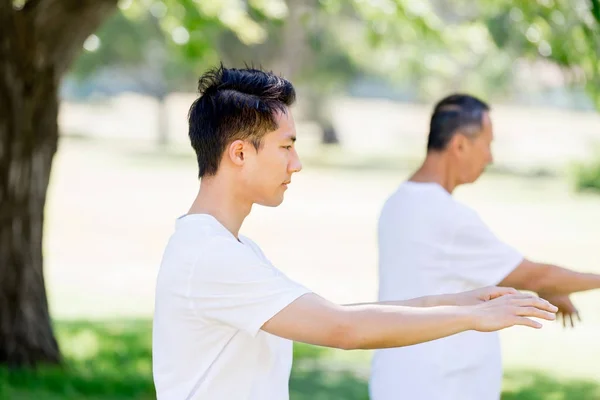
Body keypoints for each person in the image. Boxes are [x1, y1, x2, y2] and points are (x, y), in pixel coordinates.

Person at [151, 68, 557, 400]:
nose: (296, 164)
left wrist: (452, 299)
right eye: (286, 146)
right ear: (240, 153)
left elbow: (335, 313)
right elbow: (342, 329)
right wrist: (472, 317)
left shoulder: (231, 248)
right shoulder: (211, 256)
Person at [369, 93, 600, 400]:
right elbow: (534, 276)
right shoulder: (447, 216)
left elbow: (456, 275)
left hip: (398, 377)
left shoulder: (398, 203)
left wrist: (541, 286)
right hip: (441, 385)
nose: (490, 158)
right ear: (460, 144)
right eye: (487, 144)